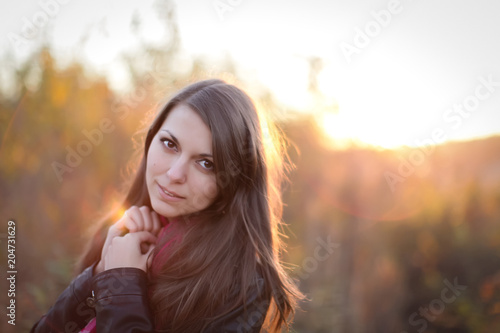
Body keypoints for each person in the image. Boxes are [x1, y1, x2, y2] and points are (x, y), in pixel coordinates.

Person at [31, 79, 303, 332]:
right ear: (151, 140)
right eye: (169, 144)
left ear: (235, 179)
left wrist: (121, 283)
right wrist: (100, 272)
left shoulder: (243, 285)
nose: (175, 174)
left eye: (206, 163)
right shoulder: (119, 232)